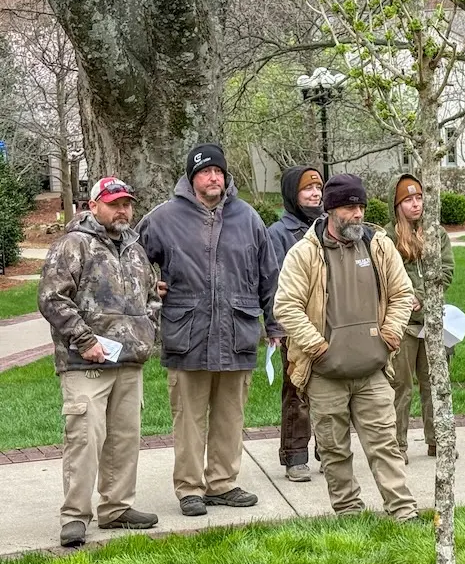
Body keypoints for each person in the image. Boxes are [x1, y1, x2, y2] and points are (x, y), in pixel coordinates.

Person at [138, 143, 280, 516]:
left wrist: (275, 323)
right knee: (189, 418)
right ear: (191, 178)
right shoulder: (162, 218)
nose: (212, 177)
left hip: (238, 331)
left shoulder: (248, 218)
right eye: (204, 172)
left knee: (230, 415)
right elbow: (130, 260)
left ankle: (223, 483)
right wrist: (150, 284)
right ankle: (189, 488)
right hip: (187, 334)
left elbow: (269, 276)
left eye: (217, 171)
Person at [273, 172, 419, 521]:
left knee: (385, 445)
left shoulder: (378, 245)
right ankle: (349, 512)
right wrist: (317, 346)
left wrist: (391, 333)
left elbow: (402, 294)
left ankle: (403, 510)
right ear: (331, 210)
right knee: (334, 449)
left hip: (373, 370)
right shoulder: (305, 253)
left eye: (361, 207)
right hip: (325, 373)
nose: (357, 214)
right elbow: (286, 306)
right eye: (350, 208)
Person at [38, 177, 160, 547]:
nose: (121, 210)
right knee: (85, 439)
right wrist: (85, 339)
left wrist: (148, 332)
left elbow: (152, 296)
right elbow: (52, 298)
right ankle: (75, 516)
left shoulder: (136, 249)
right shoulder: (73, 245)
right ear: (94, 206)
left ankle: (118, 508)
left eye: (126, 204)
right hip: (84, 362)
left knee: (125, 438)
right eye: (113, 203)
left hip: (128, 361)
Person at [384, 174, 455, 462]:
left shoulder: (436, 234)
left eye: (419, 198)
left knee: (434, 384)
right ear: (397, 205)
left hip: (432, 323)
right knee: (400, 386)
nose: (416, 204)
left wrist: (423, 298)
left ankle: (438, 440)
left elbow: (446, 272)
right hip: (402, 324)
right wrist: (407, 297)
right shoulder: (387, 237)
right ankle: (397, 444)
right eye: (408, 200)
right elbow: (387, 275)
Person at [267, 165, 324, 482]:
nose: (315, 193)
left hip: (329, 322)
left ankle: (328, 452)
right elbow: (274, 282)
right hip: (296, 324)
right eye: (307, 189)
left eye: (318, 188)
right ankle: (295, 456)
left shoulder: (329, 227)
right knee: (297, 393)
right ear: (293, 194)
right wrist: (276, 326)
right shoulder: (279, 233)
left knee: (330, 393)